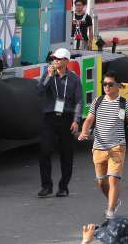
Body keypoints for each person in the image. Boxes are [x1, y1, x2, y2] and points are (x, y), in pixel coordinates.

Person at [78, 71, 128, 219]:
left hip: (117, 147)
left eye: (110, 84)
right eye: (104, 84)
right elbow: (89, 120)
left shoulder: (124, 104)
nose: (107, 87)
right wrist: (84, 131)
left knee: (113, 179)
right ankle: (114, 201)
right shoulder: (98, 101)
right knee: (101, 182)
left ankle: (110, 211)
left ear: (118, 86)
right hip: (98, 147)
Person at [36, 48, 83, 198]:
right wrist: (49, 76)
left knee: (66, 153)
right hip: (50, 116)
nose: (56, 60)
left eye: (59, 58)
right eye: (54, 58)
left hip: (67, 117)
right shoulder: (49, 74)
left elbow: (79, 102)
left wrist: (76, 121)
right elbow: (39, 91)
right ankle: (46, 186)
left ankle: (63, 187)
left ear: (67, 61)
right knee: (44, 150)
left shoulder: (74, 79)